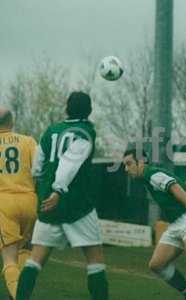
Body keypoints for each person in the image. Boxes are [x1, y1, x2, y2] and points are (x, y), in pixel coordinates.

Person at [16, 92, 108, 300]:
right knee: (95, 260)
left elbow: (37, 167)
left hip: (48, 205)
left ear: (66, 108)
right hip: (77, 205)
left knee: (35, 260)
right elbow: (70, 162)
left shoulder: (51, 131)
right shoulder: (84, 132)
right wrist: (59, 189)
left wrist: (46, 188)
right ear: (90, 110)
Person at [123, 148, 186, 300]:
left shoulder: (152, 174)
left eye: (129, 164)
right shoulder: (147, 177)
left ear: (141, 162)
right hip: (177, 222)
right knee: (157, 265)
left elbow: (176, 188)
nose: (126, 169)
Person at [0, 108, 37, 299]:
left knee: (9, 259)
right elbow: (40, 169)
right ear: (11, 122)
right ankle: (21, 290)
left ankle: (18, 295)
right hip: (30, 201)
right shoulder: (28, 141)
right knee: (25, 250)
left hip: (4, 203)